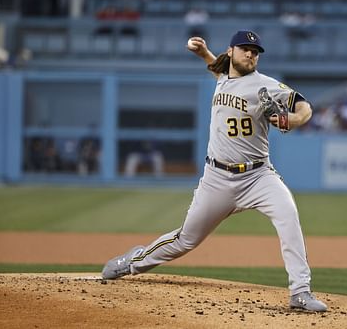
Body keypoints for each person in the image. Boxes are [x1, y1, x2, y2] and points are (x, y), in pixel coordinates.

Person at [101, 30, 327, 312]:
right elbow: (222, 76)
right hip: (217, 178)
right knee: (186, 240)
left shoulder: (265, 86)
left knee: (289, 217)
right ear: (231, 51)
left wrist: (289, 119)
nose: (251, 54)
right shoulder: (223, 80)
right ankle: (133, 262)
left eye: (255, 51)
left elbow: (305, 108)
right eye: (245, 49)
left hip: (258, 176)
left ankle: (300, 292)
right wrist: (205, 54)